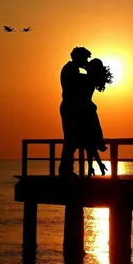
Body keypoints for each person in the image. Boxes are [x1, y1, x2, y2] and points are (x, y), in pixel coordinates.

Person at [58, 46, 92, 178]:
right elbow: (80, 83)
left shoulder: (72, 69)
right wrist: (91, 73)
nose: (86, 62)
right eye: (85, 58)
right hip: (70, 107)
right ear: (79, 58)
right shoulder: (70, 70)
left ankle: (67, 169)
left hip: (71, 107)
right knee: (71, 140)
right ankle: (66, 170)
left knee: (72, 139)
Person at [78, 58, 113, 177]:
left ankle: (95, 166)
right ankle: (95, 166)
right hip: (89, 112)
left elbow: (80, 76)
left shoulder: (87, 79)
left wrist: (83, 64)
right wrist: (87, 66)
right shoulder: (92, 79)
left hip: (86, 112)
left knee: (89, 142)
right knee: (90, 142)